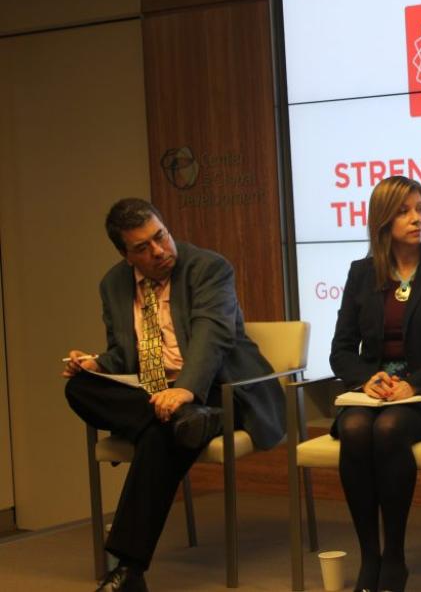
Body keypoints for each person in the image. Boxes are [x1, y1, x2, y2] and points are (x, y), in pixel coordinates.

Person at [63, 198, 284, 592]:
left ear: (165, 227)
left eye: (160, 237)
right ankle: (187, 422)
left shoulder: (208, 268)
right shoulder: (113, 284)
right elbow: (124, 353)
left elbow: (211, 337)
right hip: (155, 393)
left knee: (160, 434)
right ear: (124, 253)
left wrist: (184, 390)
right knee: (78, 387)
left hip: (219, 386)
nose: (159, 251)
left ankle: (129, 568)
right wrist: (97, 364)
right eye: (143, 248)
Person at [328, 175, 421, 592]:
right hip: (376, 391)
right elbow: (340, 351)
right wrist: (368, 377)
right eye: (404, 211)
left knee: (390, 429)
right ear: (382, 221)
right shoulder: (362, 274)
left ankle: (394, 555)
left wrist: (413, 383)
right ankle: (368, 557)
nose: (418, 218)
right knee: (357, 428)